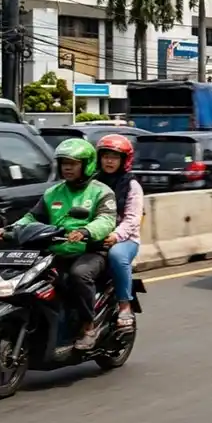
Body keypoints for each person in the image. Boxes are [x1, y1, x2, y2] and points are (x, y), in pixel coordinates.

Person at [0, 138, 117, 349]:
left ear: (86, 164)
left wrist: (85, 231)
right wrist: (9, 230)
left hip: (90, 251)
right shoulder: (53, 193)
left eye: (73, 163)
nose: (67, 167)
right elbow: (32, 218)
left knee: (79, 275)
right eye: (63, 163)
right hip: (55, 251)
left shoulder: (101, 191)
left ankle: (89, 326)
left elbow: (106, 220)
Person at [95, 134, 144, 329]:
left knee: (116, 256)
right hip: (95, 235)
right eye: (105, 156)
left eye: (114, 157)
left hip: (126, 240)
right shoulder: (92, 182)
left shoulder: (131, 186)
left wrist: (116, 236)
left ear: (123, 160)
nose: (109, 161)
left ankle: (124, 304)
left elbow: (132, 219)